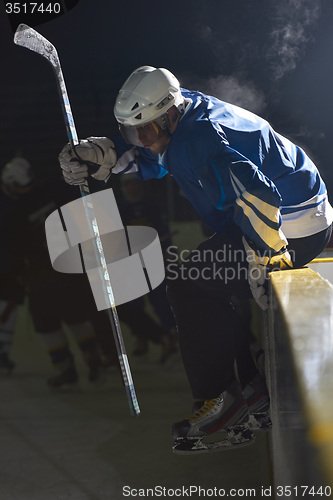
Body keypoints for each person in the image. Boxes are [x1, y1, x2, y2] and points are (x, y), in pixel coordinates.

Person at [59, 66, 333, 453]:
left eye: (147, 131)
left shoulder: (197, 138)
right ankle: (250, 388)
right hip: (299, 212)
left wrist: (270, 256)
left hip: (289, 225)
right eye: (131, 133)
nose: (142, 141)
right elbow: (162, 154)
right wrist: (105, 156)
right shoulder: (184, 109)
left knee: (189, 286)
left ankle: (223, 400)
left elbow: (255, 193)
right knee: (201, 282)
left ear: (169, 114)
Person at [1, 157, 109, 388]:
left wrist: (17, 273)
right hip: (73, 263)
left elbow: (14, 249)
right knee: (77, 315)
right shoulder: (55, 189)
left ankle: (65, 369)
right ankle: (94, 359)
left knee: (46, 322)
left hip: (42, 274)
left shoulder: (15, 211)